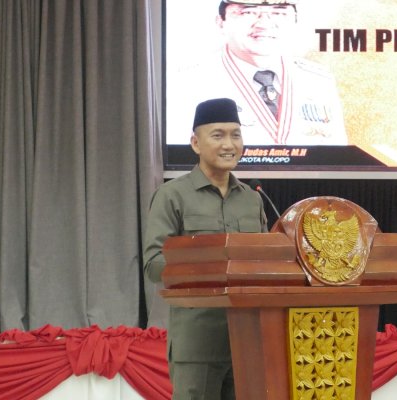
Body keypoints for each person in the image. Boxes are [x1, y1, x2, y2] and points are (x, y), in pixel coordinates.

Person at [143, 98, 268, 399]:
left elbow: (267, 262)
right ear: (196, 143)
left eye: (236, 135)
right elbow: (153, 263)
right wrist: (206, 267)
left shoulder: (253, 199)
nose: (229, 144)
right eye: (218, 135)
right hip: (197, 343)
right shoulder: (172, 196)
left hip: (247, 341)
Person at [166, 0, 347, 146]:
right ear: (221, 22)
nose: (264, 23)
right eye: (248, 12)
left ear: (295, 21)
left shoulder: (319, 81)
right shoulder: (188, 83)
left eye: (278, 12)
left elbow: (338, 157)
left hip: (310, 189)